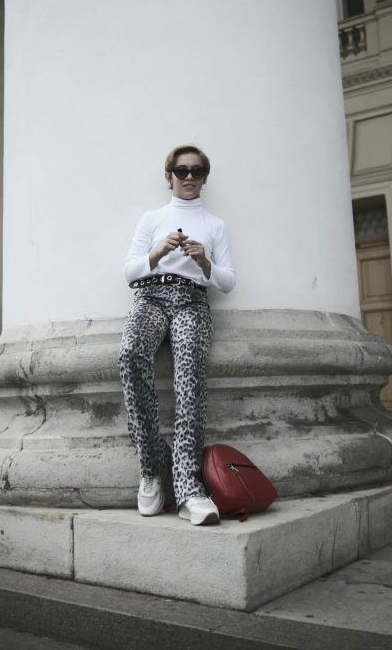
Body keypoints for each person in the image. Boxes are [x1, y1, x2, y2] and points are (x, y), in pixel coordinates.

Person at [119, 145, 236, 526]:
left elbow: (229, 282)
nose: (189, 177)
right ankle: (153, 467)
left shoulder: (215, 224)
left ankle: (188, 486)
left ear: (205, 177)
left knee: (189, 374)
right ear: (168, 175)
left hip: (192, 299)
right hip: (151, 295)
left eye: (197, 171)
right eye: (182, 170)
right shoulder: (153, 218)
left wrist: (204, 261)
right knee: (130, 355)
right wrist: (157, 253)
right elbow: (130, 272)